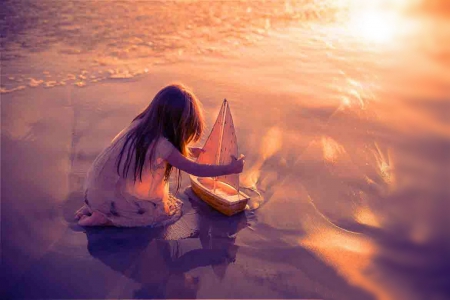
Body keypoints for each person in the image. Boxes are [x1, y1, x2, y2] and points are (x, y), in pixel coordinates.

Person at [74, 84, 245, 227]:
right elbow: (195, 169)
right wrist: (230, 168)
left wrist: (188, 151)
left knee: (118, 199)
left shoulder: (139, 126)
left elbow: (153, 154)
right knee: (154, 214)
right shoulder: (163, 146)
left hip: (98, 190)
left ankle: (94, 208)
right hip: (118, 200)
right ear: (178, 125)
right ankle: (103, 219)